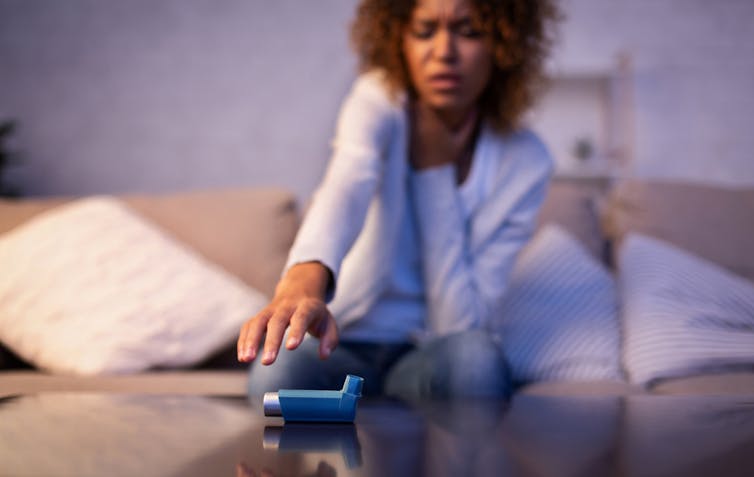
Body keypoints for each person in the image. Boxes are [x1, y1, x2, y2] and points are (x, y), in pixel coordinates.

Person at [237, 0, 560, 400]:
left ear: (504, 45)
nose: (443, 52)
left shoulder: (526, 160)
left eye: (470, 30)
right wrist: (301, 283)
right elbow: (347, 183)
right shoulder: (378, 99)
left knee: (477, 364)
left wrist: (433, 174)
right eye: (425, 31)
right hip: (340, 345)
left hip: (433, 352)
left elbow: (462, 325)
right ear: (398, 41)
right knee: (276, 379)